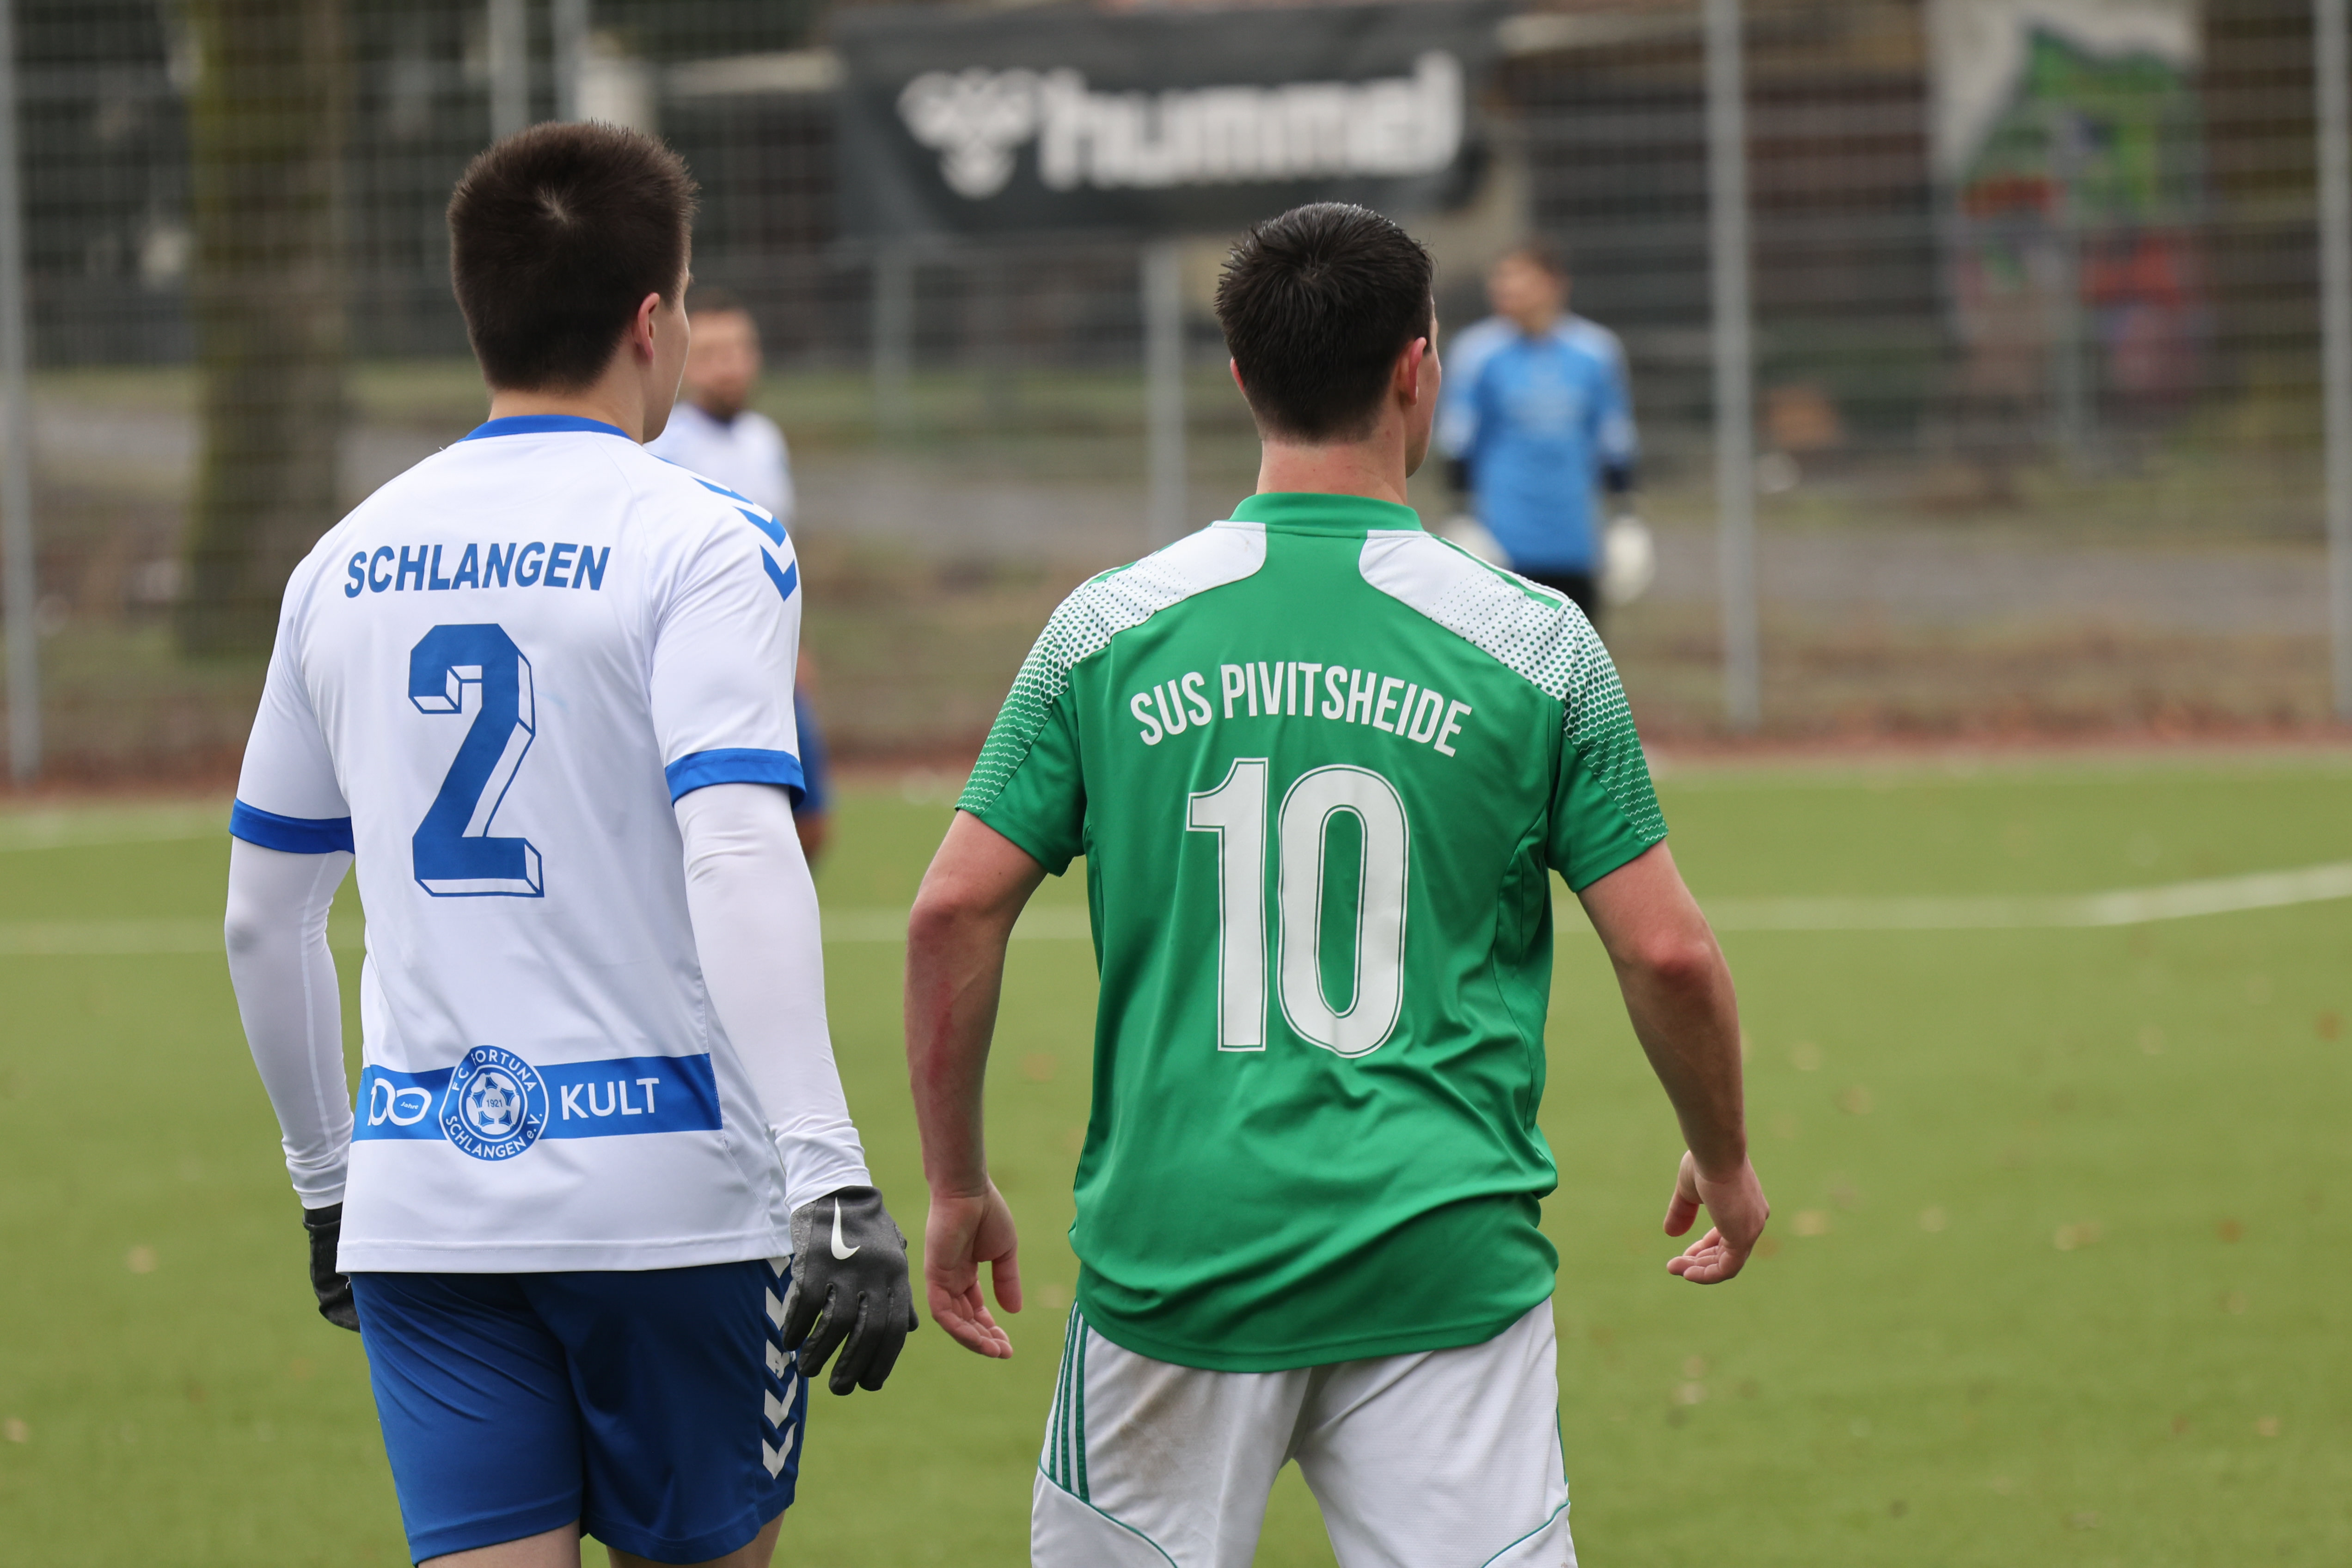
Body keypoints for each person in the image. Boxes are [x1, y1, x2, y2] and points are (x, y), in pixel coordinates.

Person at [904, 202, 1767, 1568]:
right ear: (1419, 369)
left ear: (1238, 375)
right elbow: (1665, 951)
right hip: (1440, 1257)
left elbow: (951, 908)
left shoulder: (1103, 628)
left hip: (1175, 1254)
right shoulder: (1539, 646)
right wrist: (1721, 1154)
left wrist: (955, 1179)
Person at [221, 123, 914, 1568]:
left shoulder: (337, 564)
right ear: (653, 322)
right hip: (672, 1202)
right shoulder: (708, 539)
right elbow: (738, 846)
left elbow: (263, 918)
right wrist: (830, 1173)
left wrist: (327, 1183)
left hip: (424, 1200)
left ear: (476, 308)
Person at [645, 286, 833, 865]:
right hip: (703, 657)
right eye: (711, 353)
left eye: (739, 350)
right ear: (686, 361)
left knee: (811, 822)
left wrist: (798, 642)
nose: (728, 366)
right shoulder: (665, 448)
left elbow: (781, 551)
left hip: (771, 656)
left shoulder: (765, 439)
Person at [1438, 242, 1640, 630]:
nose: (1503, 288)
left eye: (1517, 278)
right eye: (1499, 279)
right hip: (1500, 550)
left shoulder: (1596, 352)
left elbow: (1615, 441)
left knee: (1574, 658)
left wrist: (1626, 521)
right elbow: (1457, 441)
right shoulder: (1477, 353)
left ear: (1554, 284)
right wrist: (1462, 517)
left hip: (1575, 545)